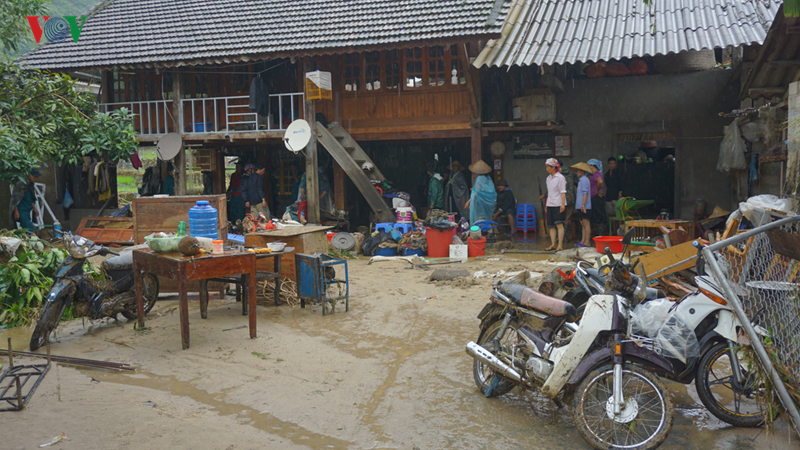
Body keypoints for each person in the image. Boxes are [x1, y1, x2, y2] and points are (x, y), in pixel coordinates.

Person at [539, 158, 566, 251]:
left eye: (548, 167)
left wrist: (562, 204)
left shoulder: (560, 178)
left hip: (558, 204)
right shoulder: (548, 178)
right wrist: (547, 204)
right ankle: (553, 244)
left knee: (559, 224)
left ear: (554, 167)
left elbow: (563, 192)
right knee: (550, 226)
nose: (546, 169)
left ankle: (560, 245)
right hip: (550, 204)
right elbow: (549, 193)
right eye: (546, 167)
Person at [570, 162, 595, 248]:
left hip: (584, 206)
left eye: (578, 171)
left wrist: (583, 205)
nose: (577, 172)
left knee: (586, 223)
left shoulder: (584, 180)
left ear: (582, 171)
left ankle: (587, 241)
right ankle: (583, 240)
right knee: (583, 223)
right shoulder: (581, 180)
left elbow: (585, 194)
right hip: (580, 205)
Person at [466, 160, 496, 225]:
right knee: (486, 217)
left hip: (479, 202)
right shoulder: (488, 178)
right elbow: (488, 191)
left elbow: (477, 192)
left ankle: (480, 231)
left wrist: (469, 201)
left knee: (479, 217)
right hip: (487, 203)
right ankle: (488, 231)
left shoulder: (479, 178)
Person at [10, 168, 41, 233]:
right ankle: (34, 239)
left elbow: (31, 198)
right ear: (29, 176)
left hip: (28, 210)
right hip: (21, 210)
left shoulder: (30, 185)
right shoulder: (20, 185)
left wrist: (35, 209)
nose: (36, 179)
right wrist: (16, 211)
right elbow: (14, 199)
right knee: (28, 227)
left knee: (24, 228)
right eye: (35, 177)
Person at [559, 158, 578, 240]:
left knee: (559, 218)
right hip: (571, 198)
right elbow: (577, 183)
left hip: (560, 199)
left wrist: (545, 194)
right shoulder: (571, 173)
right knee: (568, 218)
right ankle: (566, 237)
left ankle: (559, 237)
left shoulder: (557, 174)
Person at [587, 158, 607, 234]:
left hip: (597, 198)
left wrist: (597, 191)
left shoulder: (596, 173)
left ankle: (601, 233)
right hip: (593, 198)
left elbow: (600, 181)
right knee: (595, 216)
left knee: (599, 216)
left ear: (592, 166)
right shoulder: (592, 174)